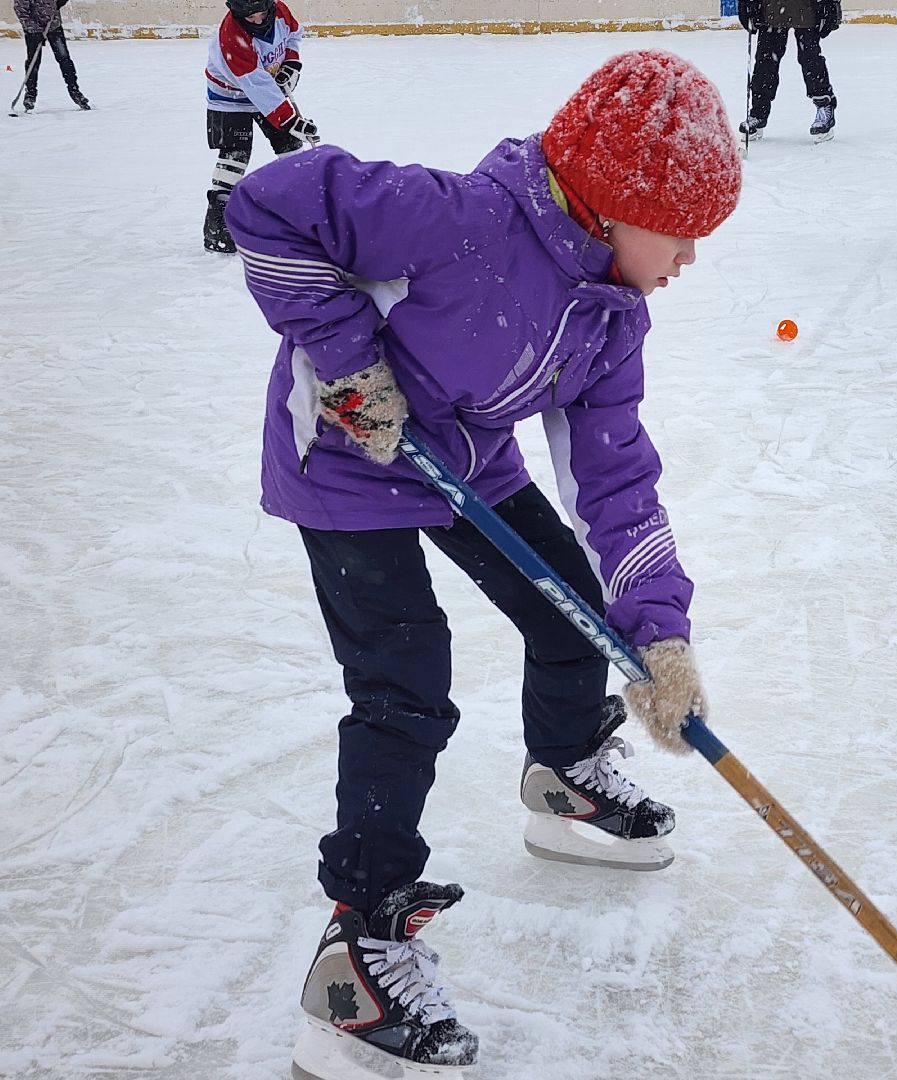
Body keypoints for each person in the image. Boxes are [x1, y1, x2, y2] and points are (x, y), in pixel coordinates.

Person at [224, 50, 741, 1080]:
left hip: (463, 456)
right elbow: (269, 204)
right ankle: (358, 956)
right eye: (680, 234)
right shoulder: (457, 218)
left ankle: (564, 775)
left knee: (570, 609)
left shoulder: (610, 316)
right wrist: (345, 359)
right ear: (614, 202)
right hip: (350, 451)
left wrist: (659, 633)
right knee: (406, 684)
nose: (689, 258)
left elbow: (618, 481)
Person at [202, 0, 318, 254]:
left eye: (261, 13)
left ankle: (304, 209)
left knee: (291, 147)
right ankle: (217, 223)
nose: (256, 20)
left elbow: (294, 34)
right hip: (229, 96)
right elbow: (256, 86)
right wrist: (291, 120)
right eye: (249, 16)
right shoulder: (231, 37)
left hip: (268, 90)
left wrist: (291, 62)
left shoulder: (280, 11)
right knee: (235, 154)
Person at [736, 0, 841, 141]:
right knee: (765, 62)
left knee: (810, 59)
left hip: (808, 9)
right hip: (771, 8)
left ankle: (824, 106)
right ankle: (758, 113)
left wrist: (830, 4)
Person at [12, 0, 88, 112]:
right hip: (33, 30)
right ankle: (30, 95)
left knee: (64, 59)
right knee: (33, 61)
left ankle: (75, 91)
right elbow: (21, 11)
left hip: (53, 25)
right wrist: (35, 30)